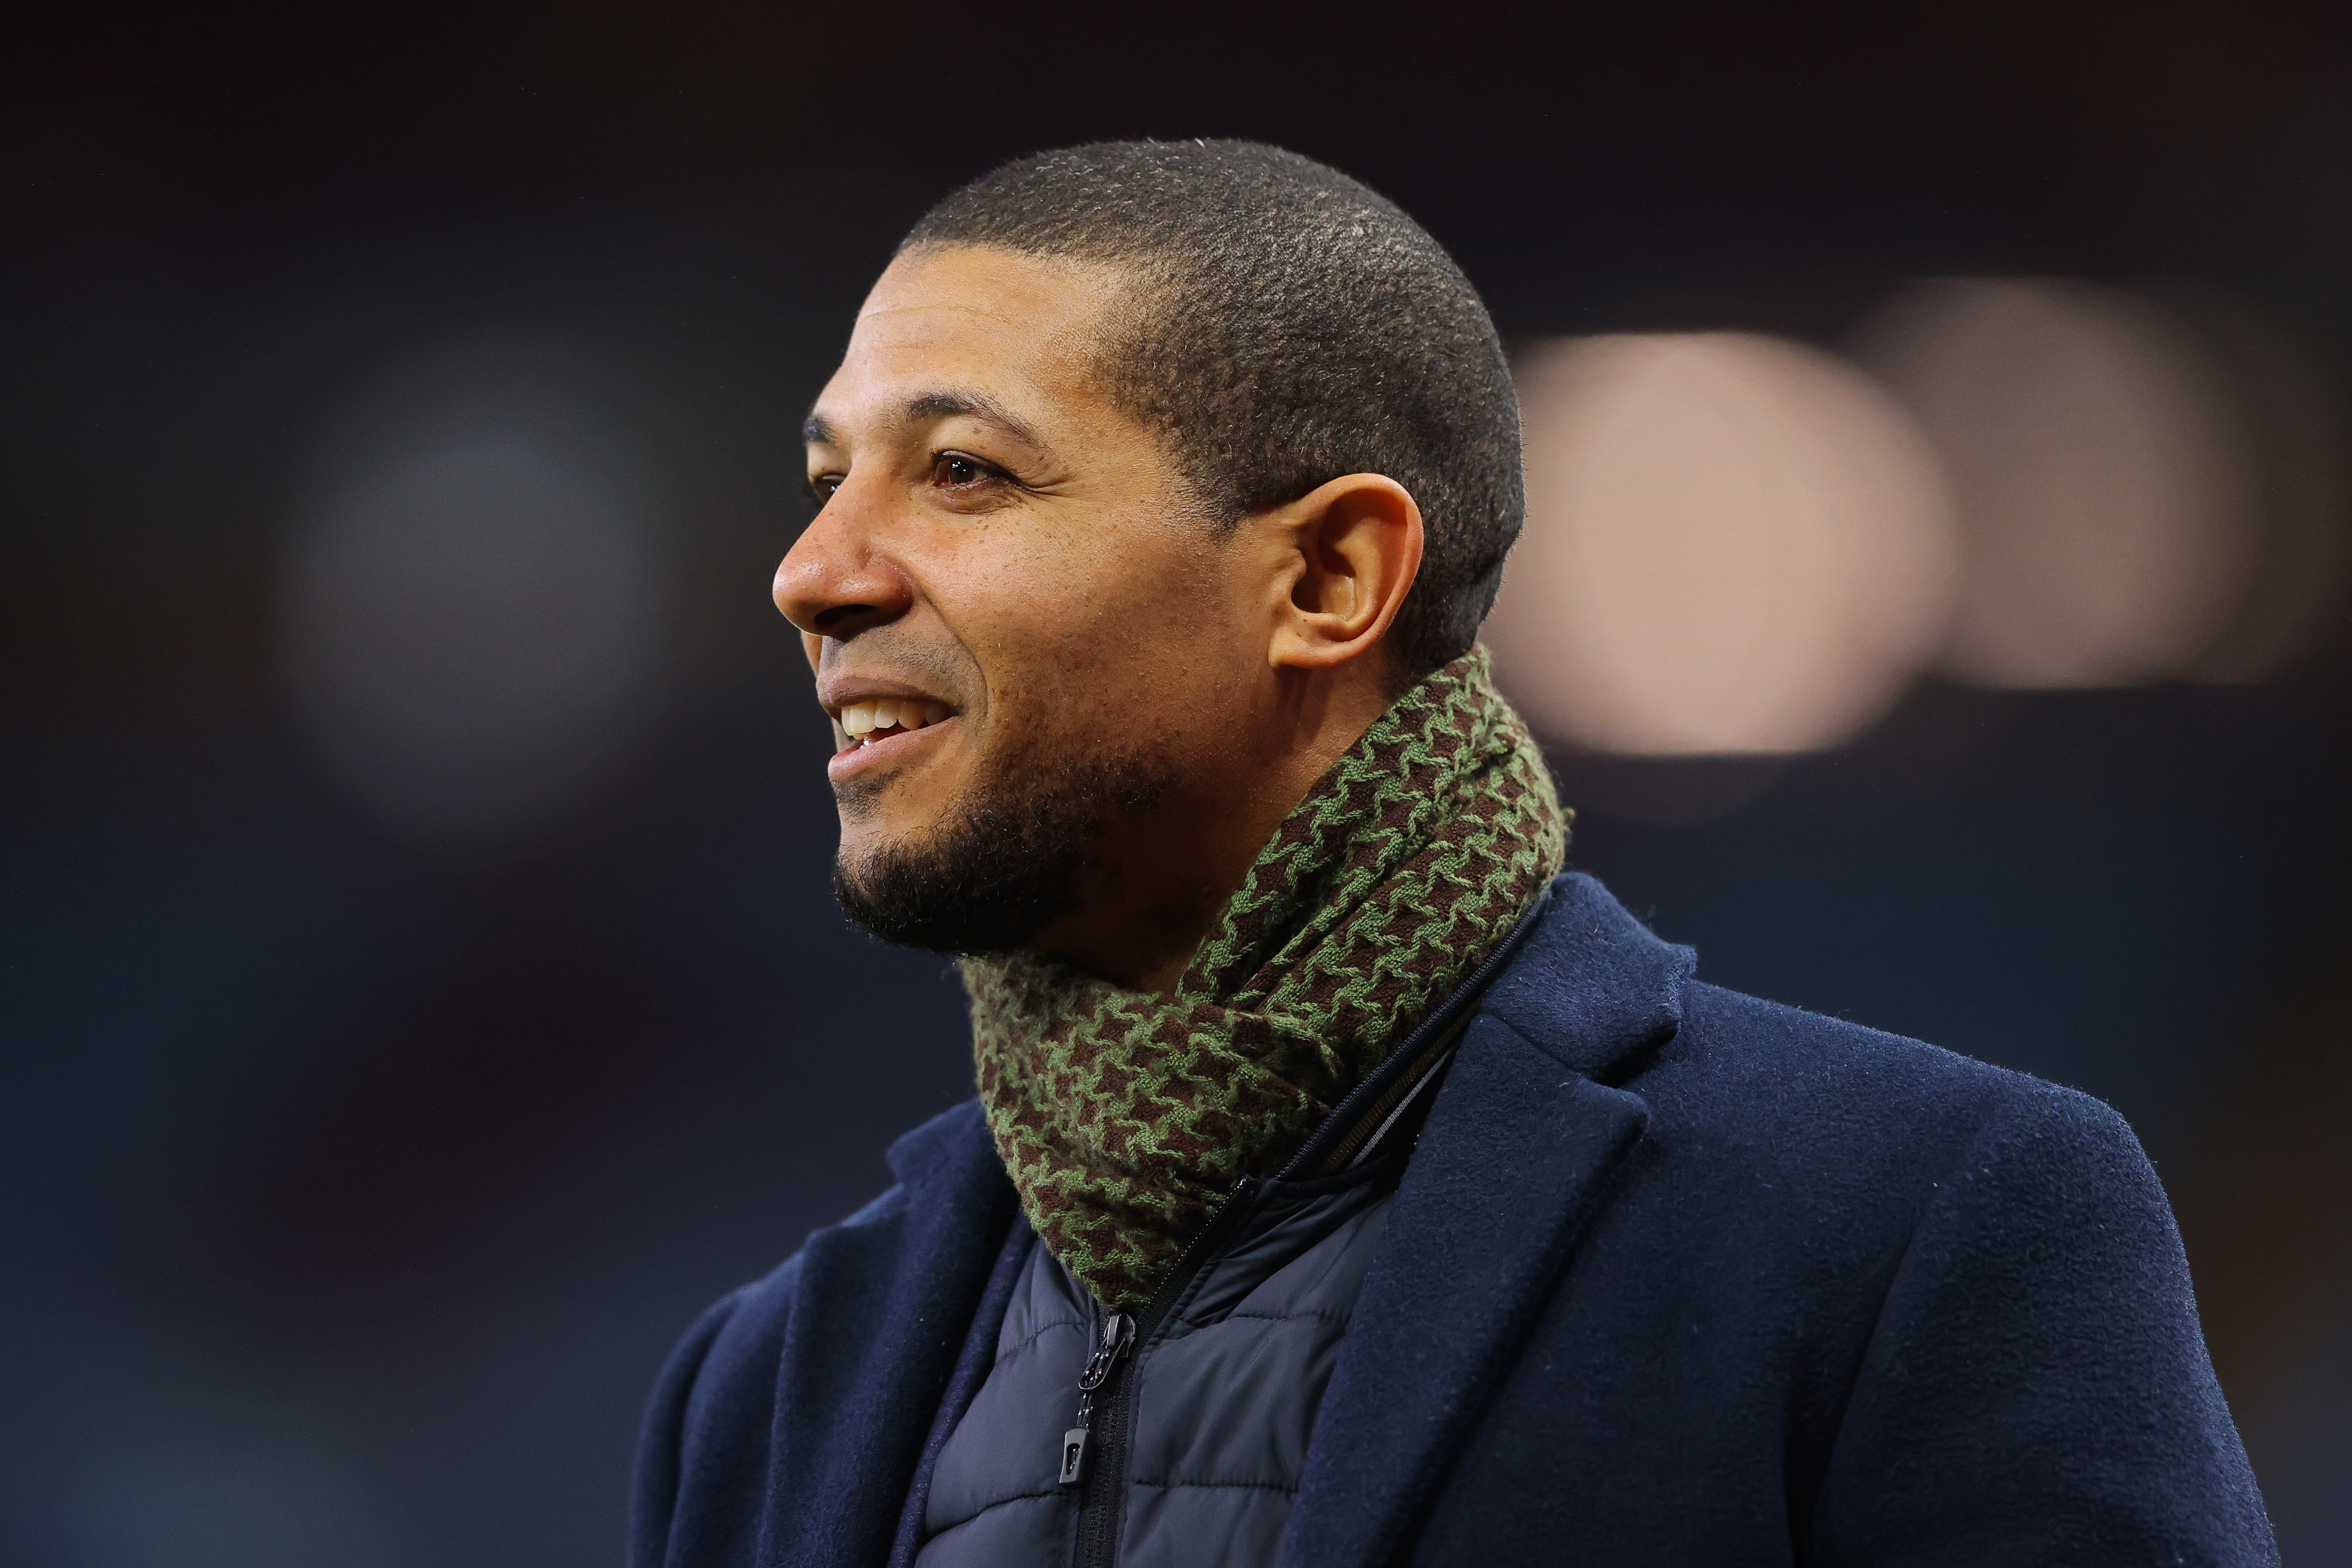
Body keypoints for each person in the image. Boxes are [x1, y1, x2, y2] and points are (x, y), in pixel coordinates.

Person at [630, 140, 2276, 1568]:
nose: (813, 572)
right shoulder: (768, 1379)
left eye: (964, 471)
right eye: (826, 479)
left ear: (1331, 577)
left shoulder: (1915, 1227)